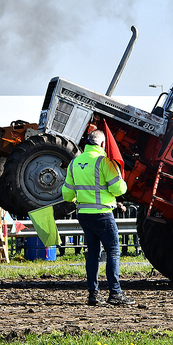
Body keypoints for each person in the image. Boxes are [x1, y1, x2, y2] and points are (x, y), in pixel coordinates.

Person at [62, 129, 135, 306]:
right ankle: (115, 293)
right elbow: (118, 189)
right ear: (103, 144)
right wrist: (122, 181)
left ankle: (93, 295)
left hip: (84, 215)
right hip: (103, 214)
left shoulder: (74, 162)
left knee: (93, 254)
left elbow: (67, 194)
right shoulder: (104, 162)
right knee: (113, 252)